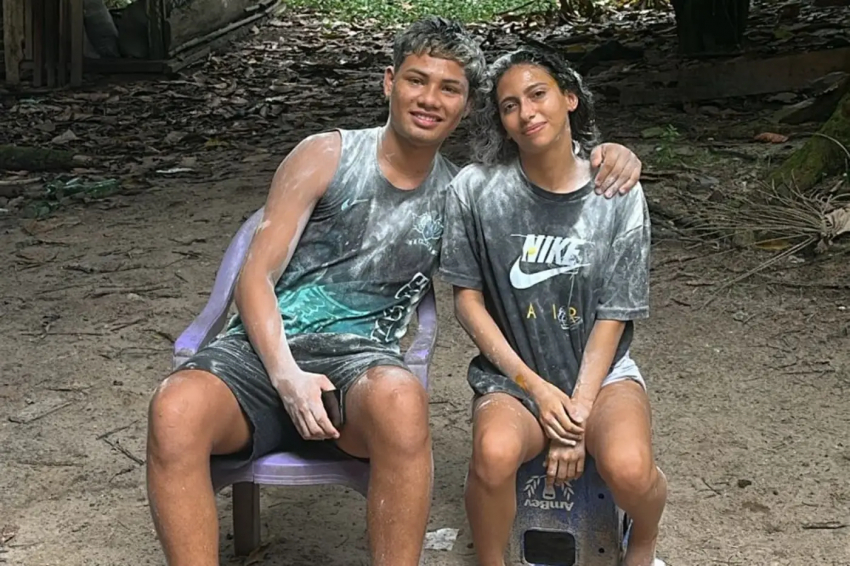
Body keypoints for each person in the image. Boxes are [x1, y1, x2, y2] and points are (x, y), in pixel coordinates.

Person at [145, 18, 643, 566]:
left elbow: (542, 192)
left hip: (361, 366)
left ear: (466, 106)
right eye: (416, 80)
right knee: (174, 408)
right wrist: (287, 378)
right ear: (389, 82)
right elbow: (254, 276)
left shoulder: (460, 193)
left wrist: (609, 154)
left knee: (403, 401)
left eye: (449, 88)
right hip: (260, 355)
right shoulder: (326, 154)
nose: (429, 99)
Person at [439, 46, 667, 566]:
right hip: (514, 381)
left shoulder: (615, 191)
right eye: (509, 105)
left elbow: (615, 313)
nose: (526, 112)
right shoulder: (475, 190)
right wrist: (537, 390)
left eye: (538, 94)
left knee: (631, 469)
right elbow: (468, 303)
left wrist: (576, 416)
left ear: (570, 98)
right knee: (493, 454)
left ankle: (644, 544)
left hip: (602, 378)